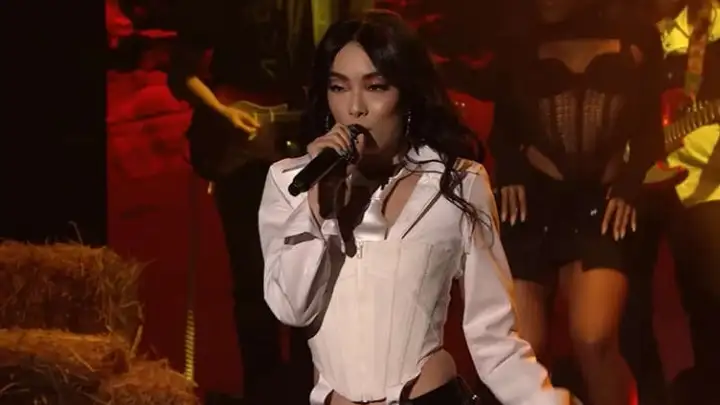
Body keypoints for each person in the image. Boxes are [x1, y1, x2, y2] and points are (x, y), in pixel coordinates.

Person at [258, 9, 573, 405]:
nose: (355, 108)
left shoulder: (457, 183)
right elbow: (292, 309)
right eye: (339, 87)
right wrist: (318, 207)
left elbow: (494, 339)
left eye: (376, 87)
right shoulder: (291, 183)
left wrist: (549, 402)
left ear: (407, 95)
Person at [485, 1, 665, 405]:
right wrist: (510, 171)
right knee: (524, 350)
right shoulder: (517, 36)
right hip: (533, 200)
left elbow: (650, 132)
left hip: (602, 202)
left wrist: (629, 185)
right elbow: (504, 125)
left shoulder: (638, 34)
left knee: (594, 339)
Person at [167, 0, 317, 403]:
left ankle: (303, 389)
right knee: (253, 279)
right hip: (241, 154)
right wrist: (221, 112)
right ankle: (264, 390)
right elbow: (181, 73)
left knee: (307, 276)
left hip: (302, 149)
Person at [625, 1, 720, 404]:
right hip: (637, 179)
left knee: (709, 303)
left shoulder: (713, 22)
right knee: (629, 307)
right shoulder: (636, 29)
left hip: (707, 186)